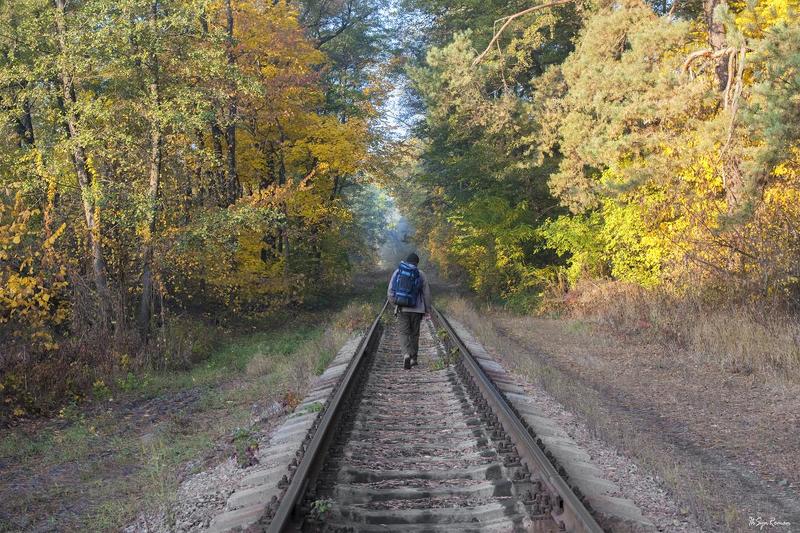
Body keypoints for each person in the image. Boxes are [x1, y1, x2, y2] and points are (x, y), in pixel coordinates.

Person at [387, 253, 432, 369]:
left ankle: (406, 354)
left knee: (404, 332)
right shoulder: (421, 274)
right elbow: (426, 294)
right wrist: (427, 310)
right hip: (417, 310)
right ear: (417, 263)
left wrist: (395, 304)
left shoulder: (398, 272)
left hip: (403, 308)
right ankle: (413, 359)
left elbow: (390, 291)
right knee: (414, 334)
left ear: (407, 261)